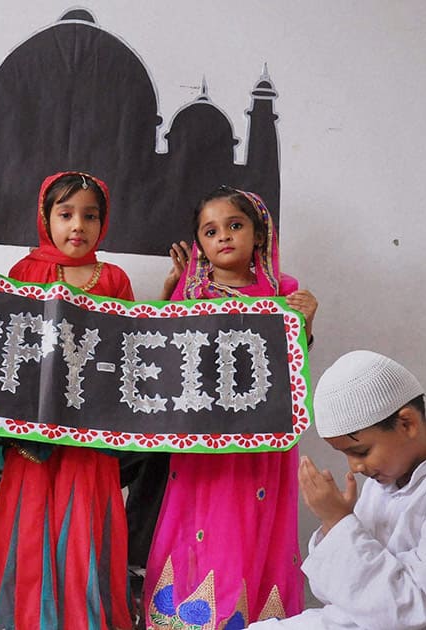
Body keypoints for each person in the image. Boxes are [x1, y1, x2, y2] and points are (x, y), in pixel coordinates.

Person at [248, 350, 426, 629]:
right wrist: (334, 527)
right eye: (345, 455)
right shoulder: (381, 486)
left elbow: (412, 608)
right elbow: (334, 592)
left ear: (407, 423)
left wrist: (338, 522)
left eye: (361, 451)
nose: (355, 467)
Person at [144, 186, 317, 629]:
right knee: (204, 521)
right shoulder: (191, 292)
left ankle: (255, 617)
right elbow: (164, 356)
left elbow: (292, 364)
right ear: (199, 243)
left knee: (257, 525)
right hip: (204, 441)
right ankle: (191, 617)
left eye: (235, 226)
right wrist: (168, 295)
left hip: (264, 441)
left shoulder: (284, 291)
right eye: (210, 231)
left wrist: (306, 323)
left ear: (259, 235)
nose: (223, 237)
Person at [0, 172, 134, 630]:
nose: (77, 226)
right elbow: (9, 350)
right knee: (30, 519)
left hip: (89, 433)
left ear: (104, 223)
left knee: (82, 518)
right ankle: (24, 618)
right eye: (65, 215)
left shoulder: (114, 278)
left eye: (89, 215)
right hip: (35, 436)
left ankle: (79, 618)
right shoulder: (26, 272)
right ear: (46, 219)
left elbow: (125, 350)